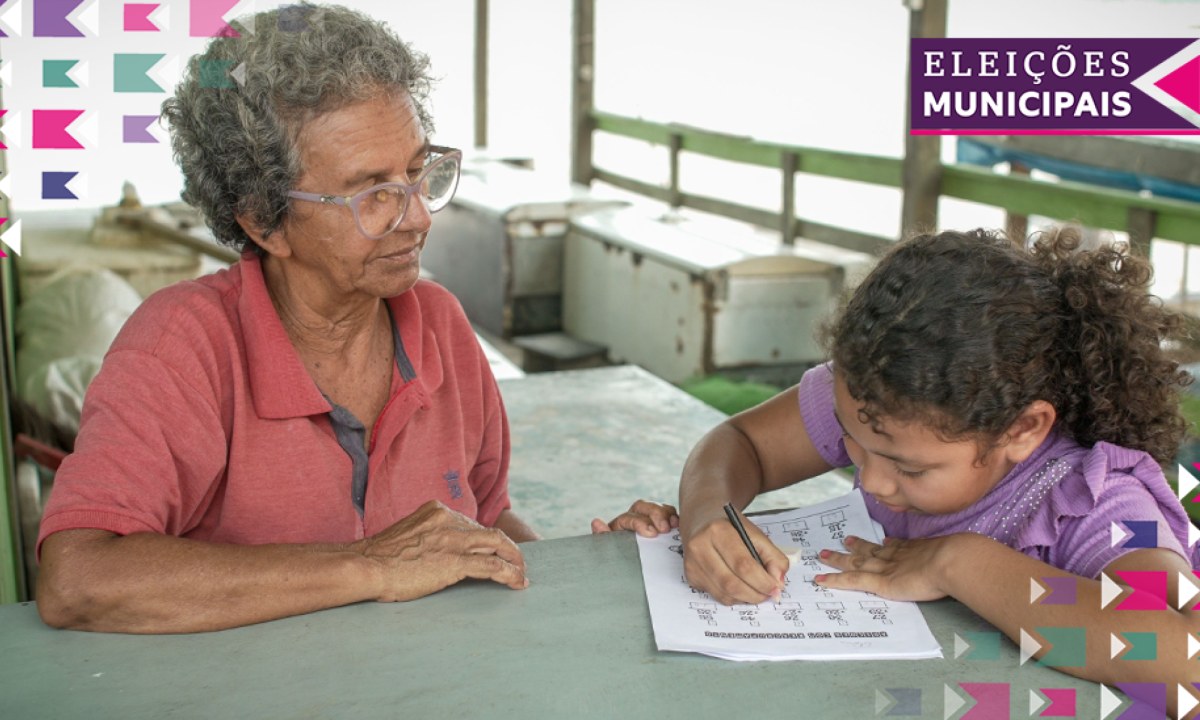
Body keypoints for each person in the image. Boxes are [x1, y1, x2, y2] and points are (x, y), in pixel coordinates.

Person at [36, 3, 538, 634]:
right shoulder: (182, 347)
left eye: (418, 172)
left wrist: (606, 562)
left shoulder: (439, 324)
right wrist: (371, 566)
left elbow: (486, 520)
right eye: (373, 192)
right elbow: (78, 579)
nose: (417, 217)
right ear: (261, 218)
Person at [596, 228, 1200, 705]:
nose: (875, 483)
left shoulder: (1098, 503)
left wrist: (957, 560)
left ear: (1022, 429)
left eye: (908, 470)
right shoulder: (879, 405)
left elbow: (1182, 654)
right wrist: (711, 515)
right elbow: (740, 443)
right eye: (854, 448)